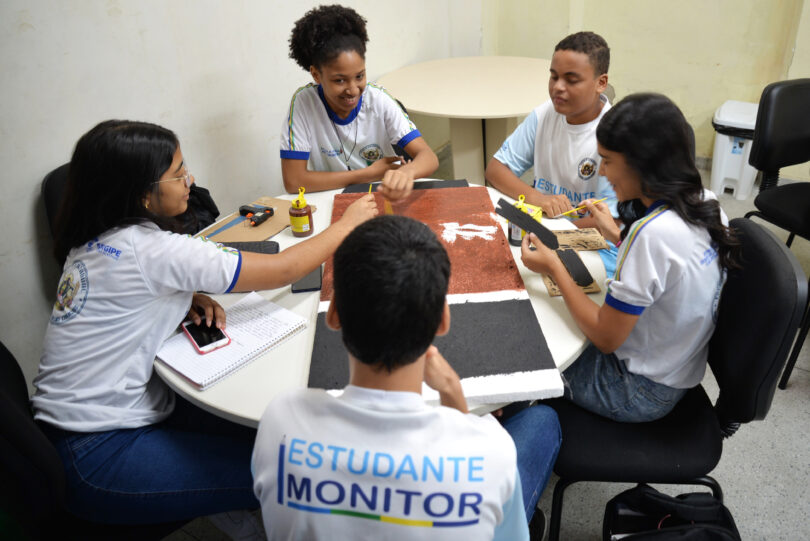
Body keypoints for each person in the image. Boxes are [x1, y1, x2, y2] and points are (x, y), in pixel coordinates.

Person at [32, 120, 377, 534]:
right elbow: (285, 268)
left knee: (273, 433)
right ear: (141, 193)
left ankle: (228, 503)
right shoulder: (157, 251)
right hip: (100, 453)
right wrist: (348, 224)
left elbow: (130, 288)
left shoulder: (89, 240)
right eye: (178, 174)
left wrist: (183, 295)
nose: (190, 181)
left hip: (67, 431)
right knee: (293, 474)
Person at [252, 215, 561, 540]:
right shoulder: (490, 452)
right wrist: (454, 397)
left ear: (333, 315)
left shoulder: (280, 423)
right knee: (542, 420)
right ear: (443, 320)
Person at [520, 93, 740, 423]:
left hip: (634, 391)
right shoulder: (706, 202)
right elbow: (665, 268)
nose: (603, 172)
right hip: (676, 370)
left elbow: (605, 338)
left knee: (524, 356)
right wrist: (613, 232)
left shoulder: (651, 235)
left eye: (608, 160)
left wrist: (554, 265)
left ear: (642, 163)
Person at [485, 31, 620, 276]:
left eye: (571, 80)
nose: (558, 87)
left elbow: (610, 223)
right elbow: (495, 169)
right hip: (541, 233)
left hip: (592, 246)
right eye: (554, 76)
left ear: (601, 83)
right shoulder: (544, 114)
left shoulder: (615, 134)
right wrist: (537, 198)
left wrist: (547, 232)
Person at [281, 4, 439, 201]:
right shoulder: (304, 103)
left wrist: (406, 172)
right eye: (339, 80)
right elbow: (294, 181)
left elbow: (429, 157)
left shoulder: (378, 100)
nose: (353, 89)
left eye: (359, 76)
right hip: (334, 199)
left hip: (384, 197)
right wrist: (367, 174)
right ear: (316, 75)